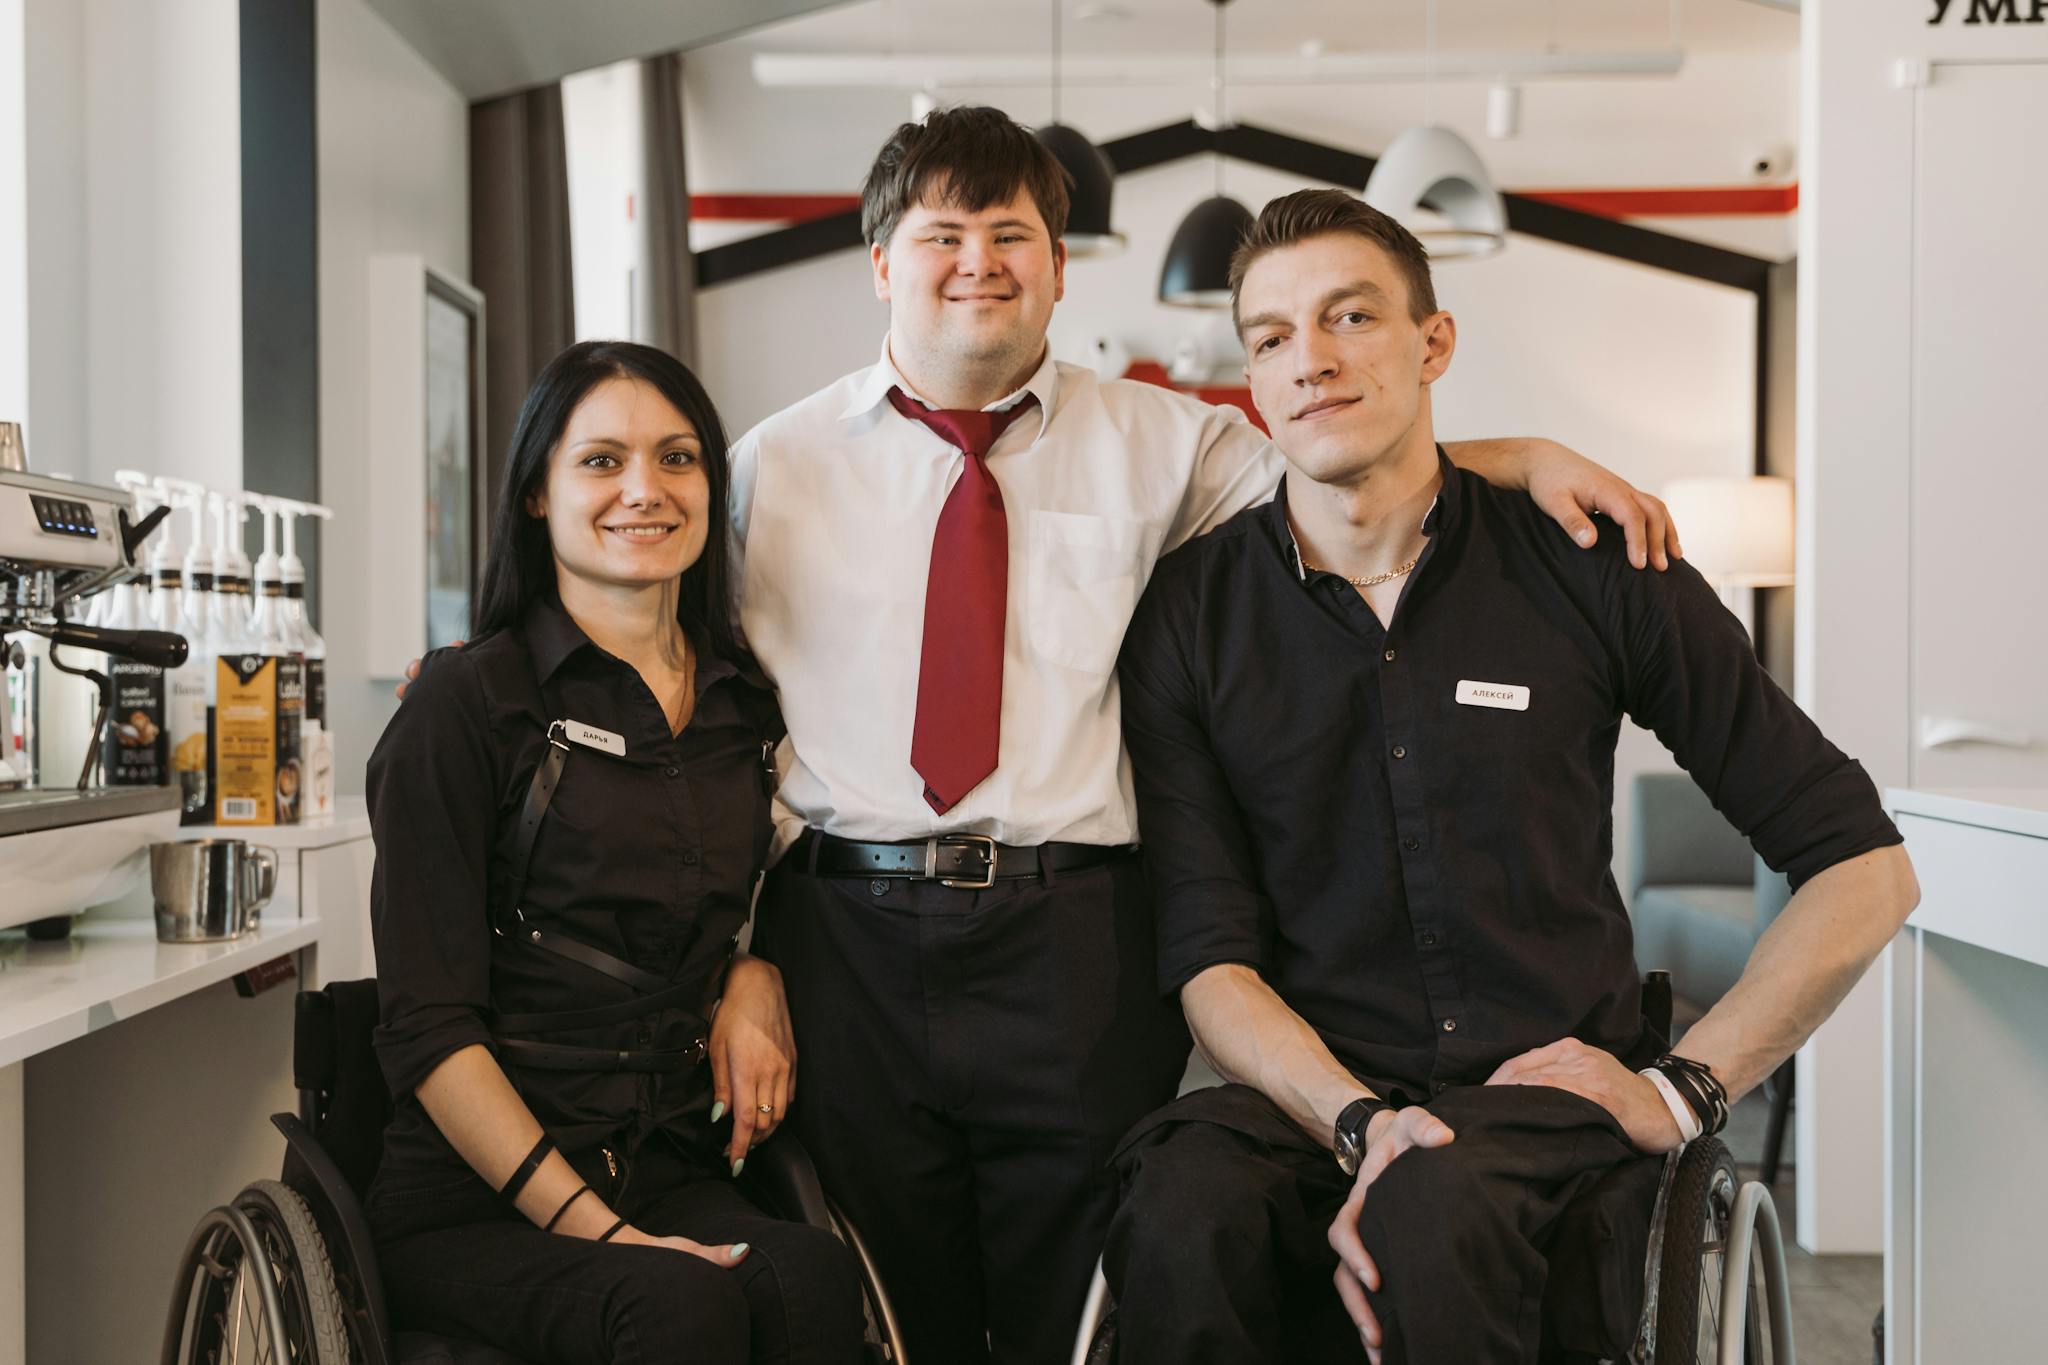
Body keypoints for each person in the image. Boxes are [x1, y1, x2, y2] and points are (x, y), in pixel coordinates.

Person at [727, 107, 1688, 1365]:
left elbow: (1354, 457)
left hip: (1070, 946)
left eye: (1012, 232)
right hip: (840, 939)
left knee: (1069, 1310)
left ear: (1060, 267)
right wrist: (739, 955)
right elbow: (714, 726)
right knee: (886, 1313)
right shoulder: (766, 469)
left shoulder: (1168, 443)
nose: (979, 261)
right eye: (941, 234)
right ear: (879, 265)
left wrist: (1528, 458)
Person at [1103, 188, 1921, 1365]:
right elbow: (1209, 957)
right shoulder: (1189, 618)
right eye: (1273, 338)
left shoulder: (1593, 563)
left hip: (1551, 1102)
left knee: (1434, 1210)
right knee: (1179, 1210)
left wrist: (1686, 1087)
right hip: (1310, 1094)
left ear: (1431, 342)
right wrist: (1360, 1122)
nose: (1310, 361)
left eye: (1349, 317)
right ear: (1250, 373)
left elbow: (1863, 868)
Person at [365, 341, 864, 1365]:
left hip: (659, 1156)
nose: (645, 488)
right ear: (537, 495)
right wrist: (599, 1230)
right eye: (601, 461)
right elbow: (426, 1028)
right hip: (474, 1197)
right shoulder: (465, 705)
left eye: (677, 459)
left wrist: (750, 969)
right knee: (674, 1308)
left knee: (812, 1280)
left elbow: (741, 895)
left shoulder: (744, 706)